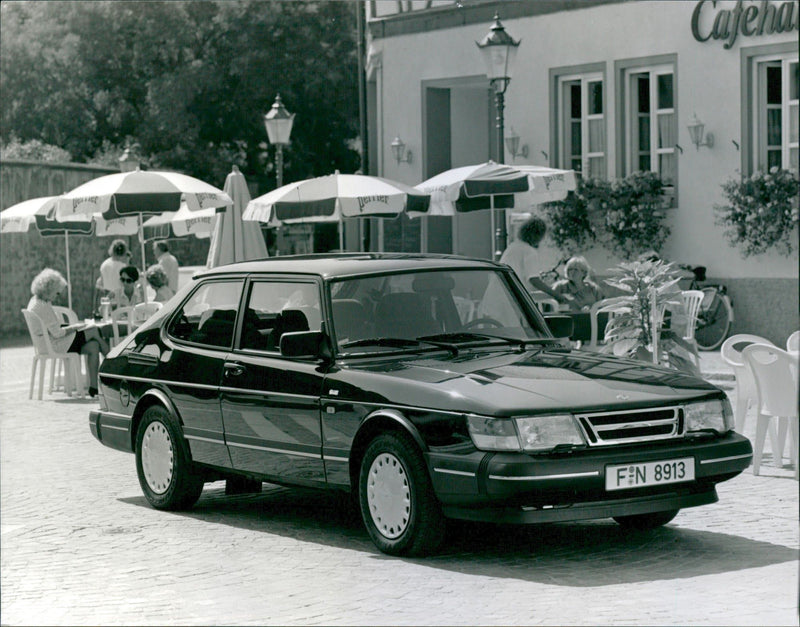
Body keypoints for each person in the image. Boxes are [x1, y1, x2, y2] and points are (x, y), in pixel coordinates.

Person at [27, 268, 110, 398]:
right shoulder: (43, 306)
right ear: (49, 290)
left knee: (94, 346)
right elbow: (58, 333)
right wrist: (76, 327)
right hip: (56, 344)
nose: (57, 297)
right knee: (93, 330)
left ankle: (93, 388)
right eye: (57, 293)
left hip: (49, 343)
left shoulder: (35, 301)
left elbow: (52, 328)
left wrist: (73, 327)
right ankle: (113, 362)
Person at [500, 217, 567, 304]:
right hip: (510, 300)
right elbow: (534, 280)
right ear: (538, 235)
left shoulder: (512, 247)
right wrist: (557, 296)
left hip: (497, 295)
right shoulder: (529, 251)